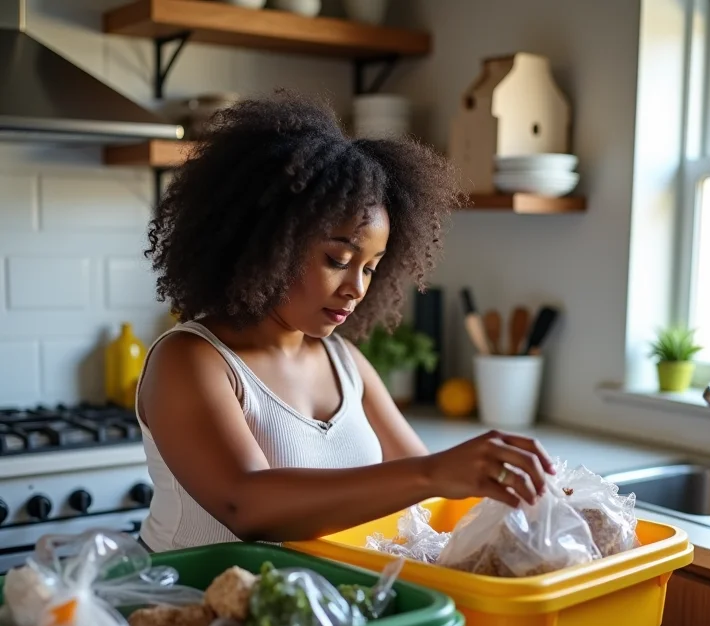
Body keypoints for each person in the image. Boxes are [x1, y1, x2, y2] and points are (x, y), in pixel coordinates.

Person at [135, 89, 555, 553]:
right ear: (268, 241)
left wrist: (533, 502)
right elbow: (244, 505)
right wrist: (433, 473)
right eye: (338, 259)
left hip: (316, 615)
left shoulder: (345, 361)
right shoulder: (191, 359)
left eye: (371, 267)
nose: (357, 287)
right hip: (188, 609)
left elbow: (427, 486)